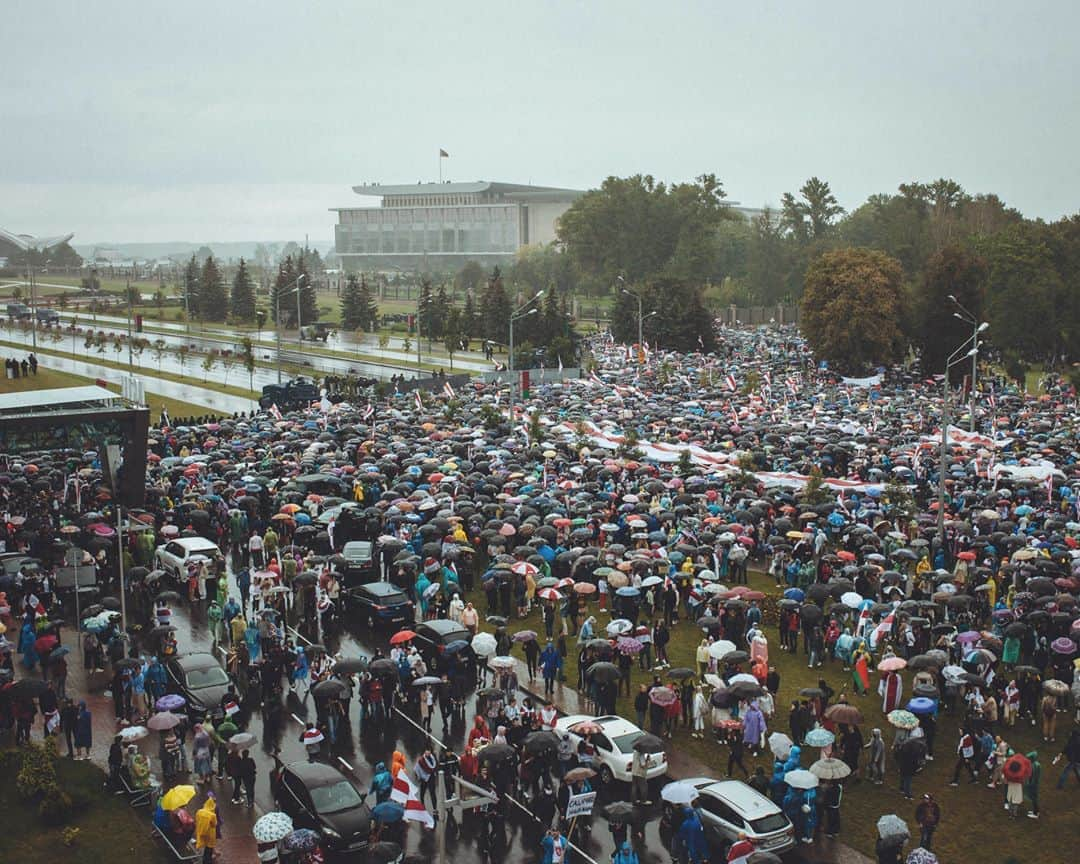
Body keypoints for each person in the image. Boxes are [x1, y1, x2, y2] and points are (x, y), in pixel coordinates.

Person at [194, 793, 217, 864]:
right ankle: (207, 861)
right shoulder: (212, 815)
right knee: (209, 848)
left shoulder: (199, 811)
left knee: (203, 846)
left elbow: (196, 819)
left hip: (200, 830)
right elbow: (214, 824)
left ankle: (204, 859)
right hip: (210, 833)